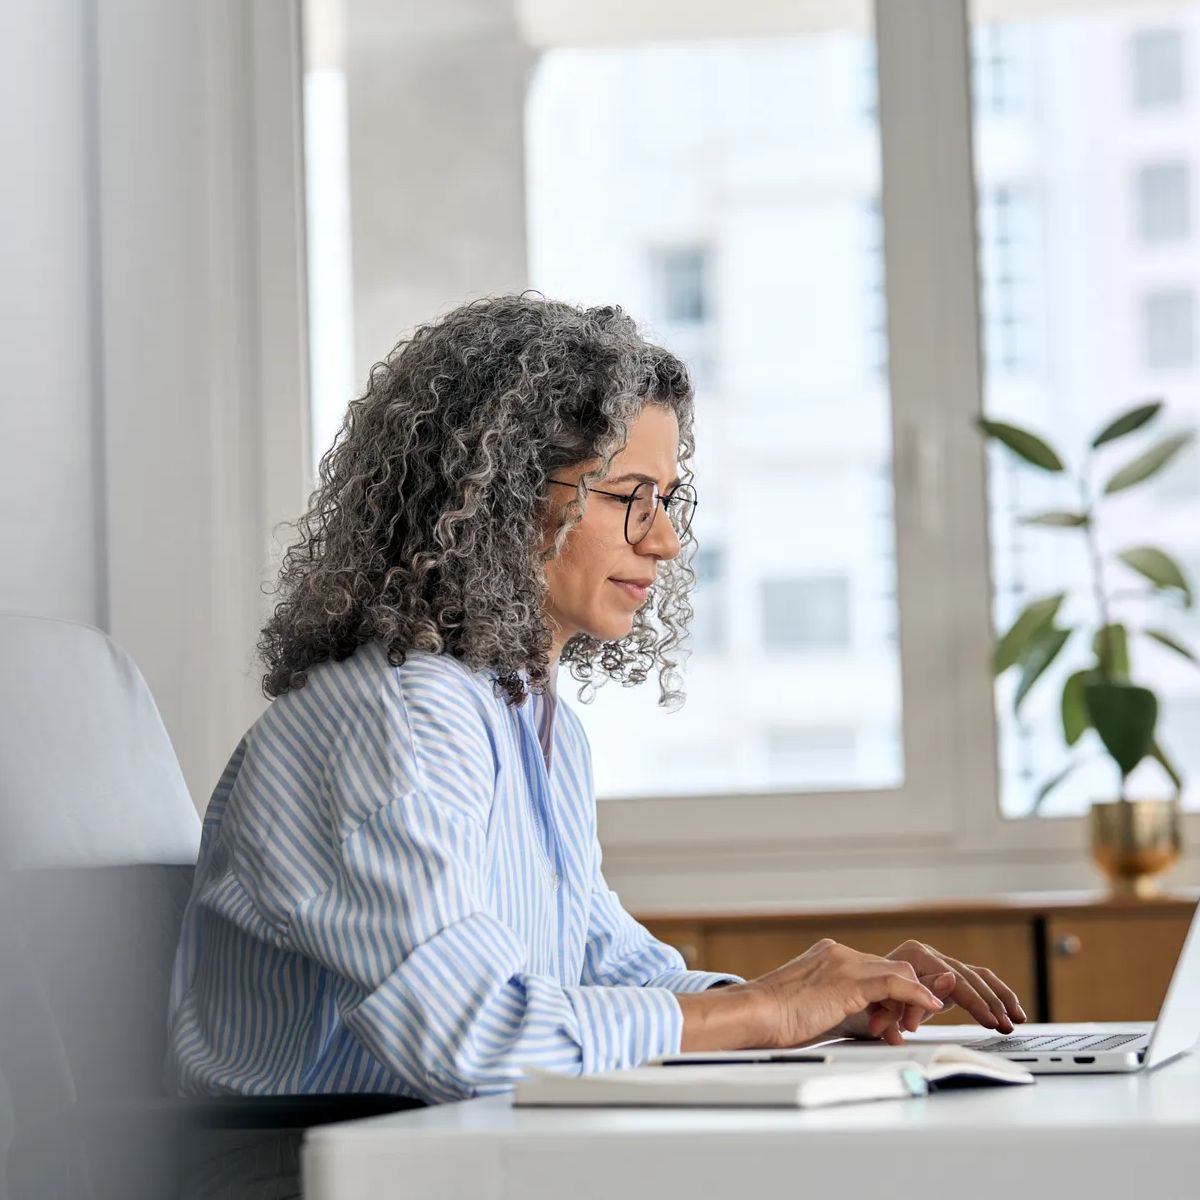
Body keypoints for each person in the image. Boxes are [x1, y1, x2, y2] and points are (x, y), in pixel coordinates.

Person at [166, 294, 1026, 1117]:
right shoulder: (394, 720)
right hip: (308, 1169)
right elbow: (473, 1034)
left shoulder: (529, 720)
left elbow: (606, 972)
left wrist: (830, 1001)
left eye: (667, 499)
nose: (665, 539)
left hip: (446, 1149)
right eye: (629, 500)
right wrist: (768, 1012)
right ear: (501, 498)